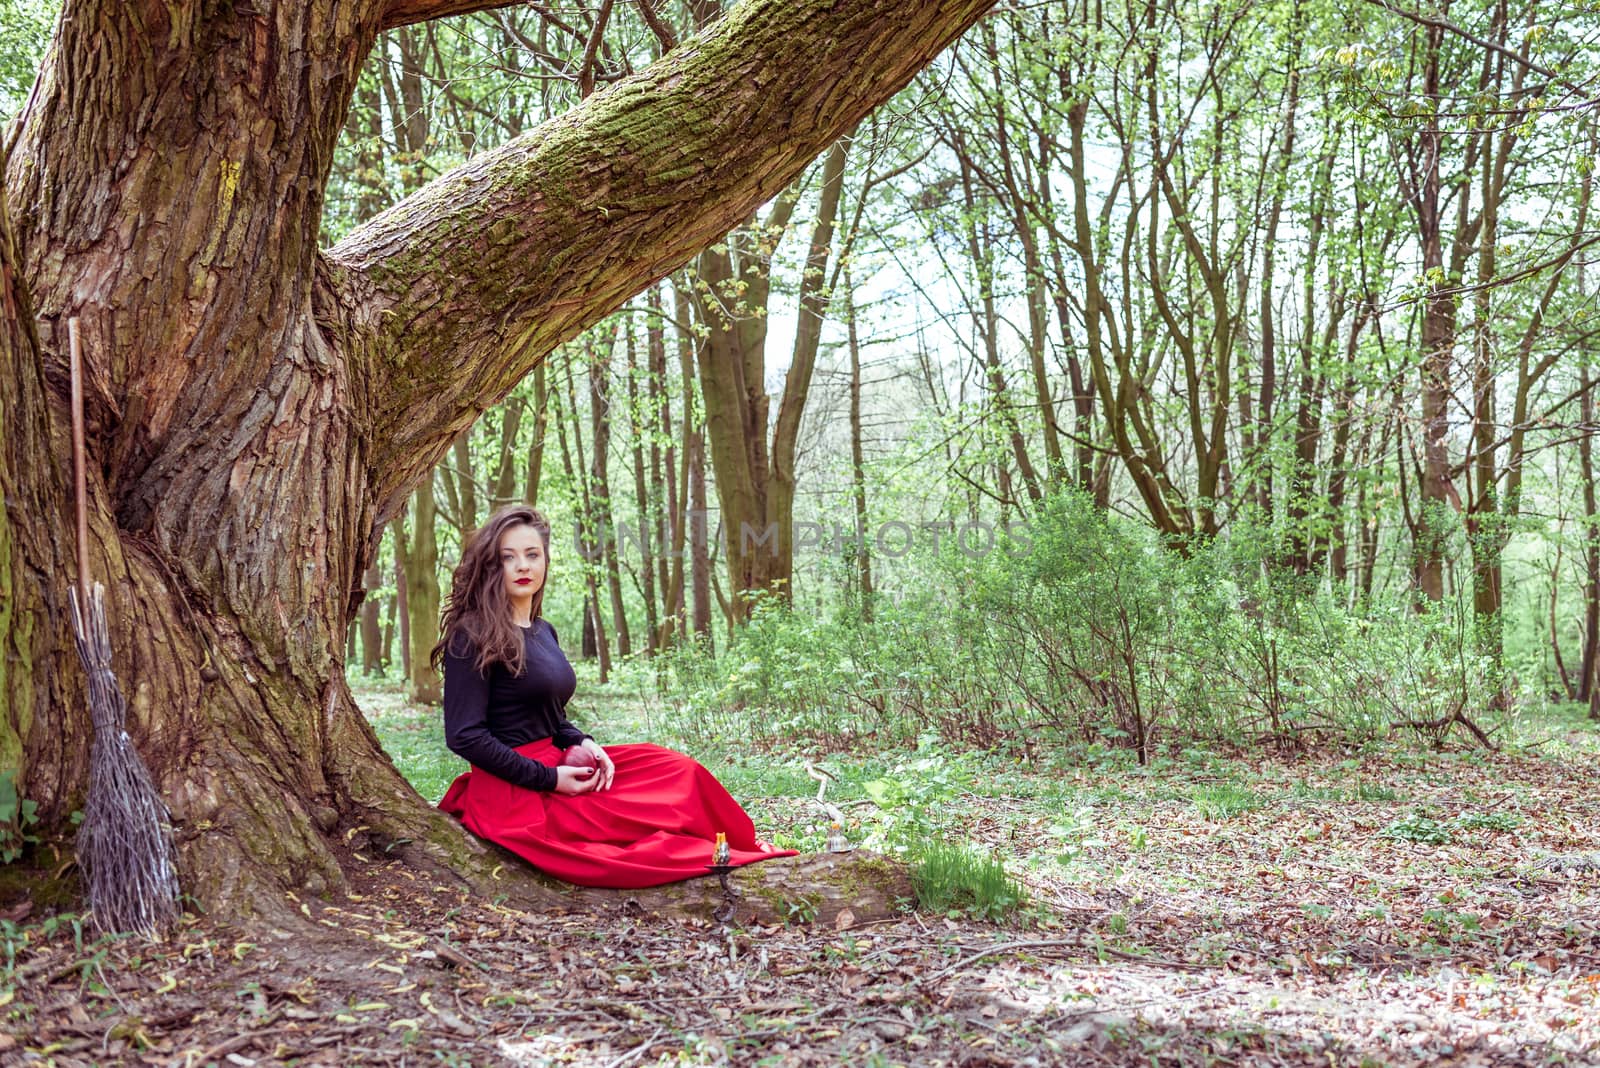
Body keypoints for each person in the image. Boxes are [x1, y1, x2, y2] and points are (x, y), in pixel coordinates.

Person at [433, 504, 795, 889]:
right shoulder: (470, 635)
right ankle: (717, 852)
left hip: (559, 765)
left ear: (545, 561)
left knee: (678, 772)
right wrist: (549, 779)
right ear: (491, 566)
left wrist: (584, 742)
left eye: (532, 554)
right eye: (509, 557)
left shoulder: (543, 631)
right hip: (515, 791)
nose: (523, 566)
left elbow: (550, 717)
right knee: (646, 834)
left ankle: (740, 843)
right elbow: (465, 735)